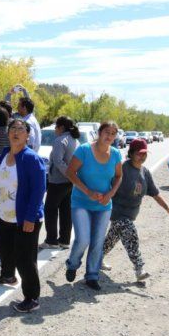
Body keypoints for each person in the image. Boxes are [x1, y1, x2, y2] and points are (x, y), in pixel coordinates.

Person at [0, 118, 47, 313]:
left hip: (25, 219)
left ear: (27, 135)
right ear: (8, 133)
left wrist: (30, 217)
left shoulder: (31, 158)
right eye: (13, 128)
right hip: (5, 214)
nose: (16, 132)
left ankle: (32, 298)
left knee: (25, 259)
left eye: (21, 129)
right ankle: (7, 276)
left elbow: (39, 190)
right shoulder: (4, 154)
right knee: (2, 246)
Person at [101, 138, 169, 282]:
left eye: (144, 154)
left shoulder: (145, 172)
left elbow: (154, 193)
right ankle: (139, 268)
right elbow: (106, 183)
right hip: (116, 212)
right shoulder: (122, 168)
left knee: (112, 238)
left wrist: (168, 207)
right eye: (139, 153)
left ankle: (97, 257)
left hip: (130, 214)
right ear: (131, 153)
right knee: (131, 235)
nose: (142, 156)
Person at [64, 121, 122, 291]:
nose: (109, 136)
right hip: (81, 202)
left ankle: (92, 275)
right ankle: (73, 263)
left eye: (113, 133)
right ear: (99, 132)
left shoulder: (116, 154)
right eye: (106, 132)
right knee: (83, 239)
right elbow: (70, 172)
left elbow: (119, 177)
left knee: (97, 242)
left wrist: (110, 194)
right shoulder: (84, 150)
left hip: (103, 205)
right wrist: (88, 191)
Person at [42, 116, 80, 248]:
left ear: (61, 127)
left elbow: (58, 161)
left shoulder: (60, 140)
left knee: (50, 209)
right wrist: (72, 176)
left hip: (58, 180)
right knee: (65, 211)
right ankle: (64, 240)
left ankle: (51, 240)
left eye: (56, 127)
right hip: (70, 181)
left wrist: (68, 174)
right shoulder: (75, 140)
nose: (55, 130)